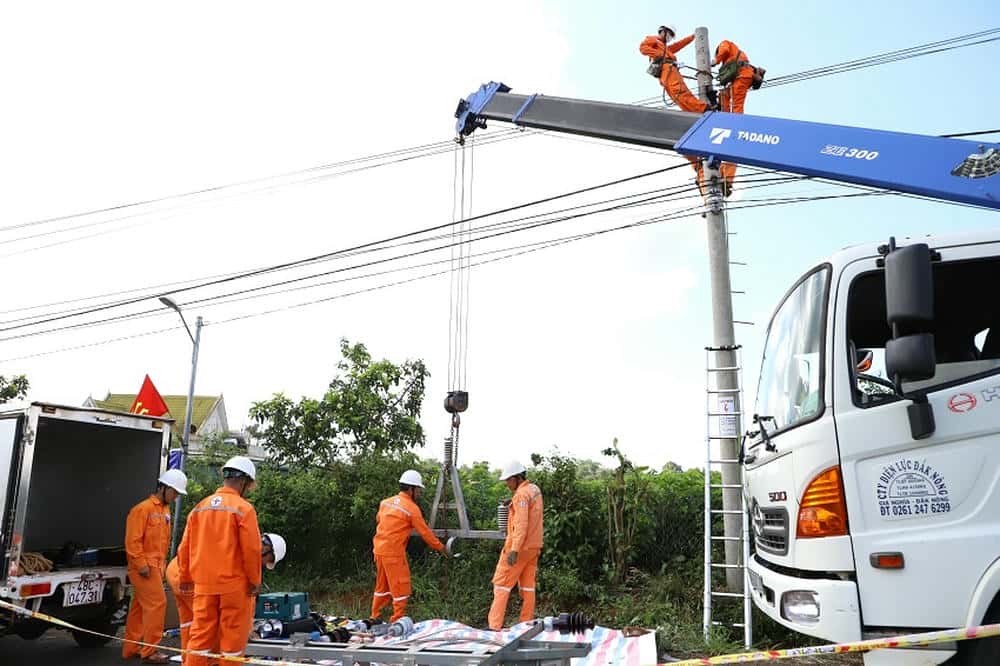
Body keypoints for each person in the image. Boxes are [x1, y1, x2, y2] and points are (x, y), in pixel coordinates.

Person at [177, 456, 261, 666]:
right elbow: (251, 550)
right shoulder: (244, 509)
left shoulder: (199, 507)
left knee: (199, 638)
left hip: (203, 585)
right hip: (234, 587)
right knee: (232, 642)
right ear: (244, 482)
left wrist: (185, 577)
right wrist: (254, 581)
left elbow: (184, 547)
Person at [166, 532, 285, 665]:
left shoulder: (238, 542)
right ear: (266, 550)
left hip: (177, 570)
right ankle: (209, 662)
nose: (264, 564)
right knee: (211, 624)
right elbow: (245, 599)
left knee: (189, 623)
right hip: (194, 579)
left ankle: (188, 660)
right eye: (268, 560)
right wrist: (247, 629)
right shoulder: (247, 558)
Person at [640, 24, 718, 191]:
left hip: (668, 70)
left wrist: (692, 38)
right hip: (666, 70)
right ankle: (702, 109)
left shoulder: (665, 47)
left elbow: (678, 46)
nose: (670, 38)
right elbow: (643, 47)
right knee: (680, 96)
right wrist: (661, 56)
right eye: (669, 34)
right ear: (663, 31)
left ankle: (700, 110)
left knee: (680, 95)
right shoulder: (655, 41)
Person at [122, 469, 188, 664]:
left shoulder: (165, 511)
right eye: (175, 492)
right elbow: (132, 541)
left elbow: (163, 542)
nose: (175, 497)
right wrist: (141, 565)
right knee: (157, 604)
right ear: (164, 488)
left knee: (139, 607)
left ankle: (131, 648)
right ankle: (150, 651)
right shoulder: (142, 509)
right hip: (145, 568)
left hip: (155, 568)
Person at [371, 470, 446, 622]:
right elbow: (425, 533)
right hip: (394, 554)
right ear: (411, 489)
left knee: (382, 586)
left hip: (378, 550)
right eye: (418, 489)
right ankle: (397, 620)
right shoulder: (412, 509)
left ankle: (375, 617)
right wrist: (441, 548)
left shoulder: (385, 503)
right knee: (401, 587)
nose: (419, 493)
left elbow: (379, 520)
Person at [487, 461, 544, 631]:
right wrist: (513, 501)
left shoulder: (521, 495)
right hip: (533, 548)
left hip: (519, 548)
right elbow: (529, 510)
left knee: (501, 585)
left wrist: (514, 549)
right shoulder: (534, 489)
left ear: (517, 478)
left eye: (508, 480)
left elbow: (521, 524)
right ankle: (526, 625)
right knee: (528, 587)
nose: (507, 483)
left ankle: (494, 627)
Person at [713, 39, 766, 194]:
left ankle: (735, 123)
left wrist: (715, 61)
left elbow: (723, 50)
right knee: (725, 95)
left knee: (736, 106)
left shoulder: (725, 45)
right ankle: (727, 119)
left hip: (742, 76)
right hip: (741, 77)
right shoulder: (733, 59)